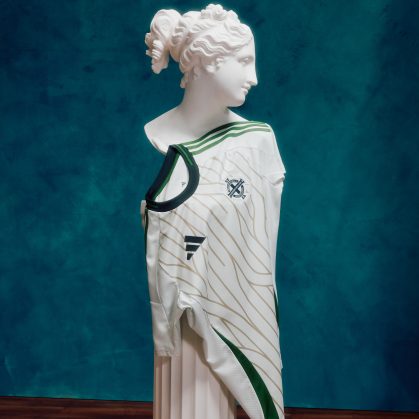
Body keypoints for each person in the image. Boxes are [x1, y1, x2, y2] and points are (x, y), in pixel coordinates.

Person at [142, 4, 286, 419]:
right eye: (244, 61)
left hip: (239, 312)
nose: (254, 77)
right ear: (206, 61)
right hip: (181, 327)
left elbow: (260, 246)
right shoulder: (159, 133)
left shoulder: (257, 142)